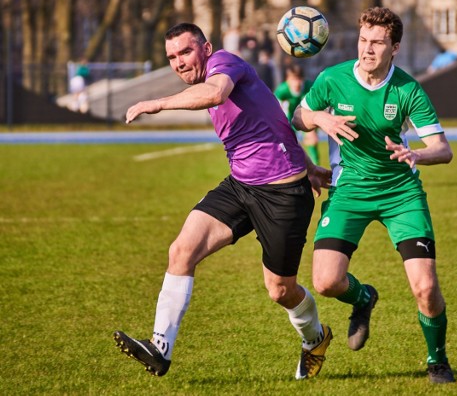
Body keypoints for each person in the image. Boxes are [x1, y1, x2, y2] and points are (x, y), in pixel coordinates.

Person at [113, 22, 333, 380]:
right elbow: (272, 116)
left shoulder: (224, 63)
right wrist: (307, 164)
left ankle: (315, 338)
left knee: (280, 290)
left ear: (206, 48)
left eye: (185, 52)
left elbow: (216, 93)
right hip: (240, 185)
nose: (179, 62)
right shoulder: (211, 77)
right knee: (181, 251)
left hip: (282, 196)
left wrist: (157, 104)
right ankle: (159, 349)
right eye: (171, 57)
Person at [292, 7, 456, 384]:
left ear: (394, 47)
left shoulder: (408, 89)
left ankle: (438, 361)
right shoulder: (333, 80)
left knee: (426, 288)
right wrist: (321, 119)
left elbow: (443, 149)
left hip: (401, 193)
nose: (367, 49)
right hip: (350, 189)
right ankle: (363, 298)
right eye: (363, 40)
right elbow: (298, 117)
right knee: (326, 283)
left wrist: (416, 154)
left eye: (377, 43)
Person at [274, 64, 320, 164]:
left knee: (312, 142)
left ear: (303, 79)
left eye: (298, 79)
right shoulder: (281, 91)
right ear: (287, 80)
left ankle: (316, 172)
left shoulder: (310, 87)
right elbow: (274, 112)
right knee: (289, 147)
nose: (296, 83)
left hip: (305, 117)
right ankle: (293, 169)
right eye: (293, 79)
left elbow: (319, 107)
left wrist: (315, 125)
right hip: (288, 119)